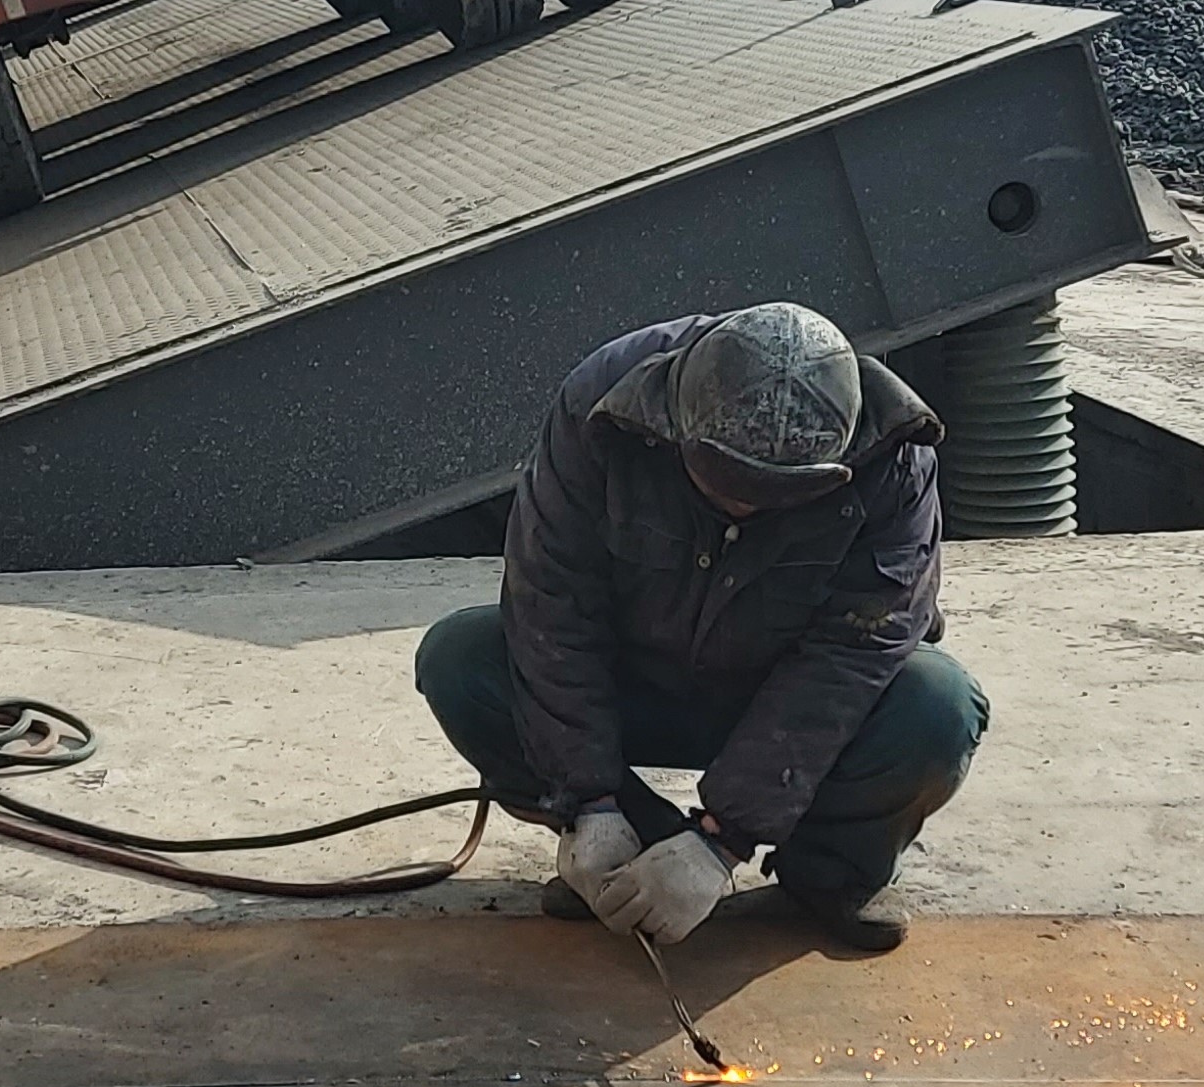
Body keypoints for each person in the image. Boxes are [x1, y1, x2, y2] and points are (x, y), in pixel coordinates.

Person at [414, 300, 987, 956]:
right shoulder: (602, 409)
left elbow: (852, 656)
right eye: (722, 487)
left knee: (937, 706)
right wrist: (589, 801)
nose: (740, 509)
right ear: (674, 426)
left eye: (766, 500)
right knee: (462, 660)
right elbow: (551, 607)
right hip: (633, 683)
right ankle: (627, 865)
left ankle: (830, 875)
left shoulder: (894, 458)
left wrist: (723, 840)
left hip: (778, 694)